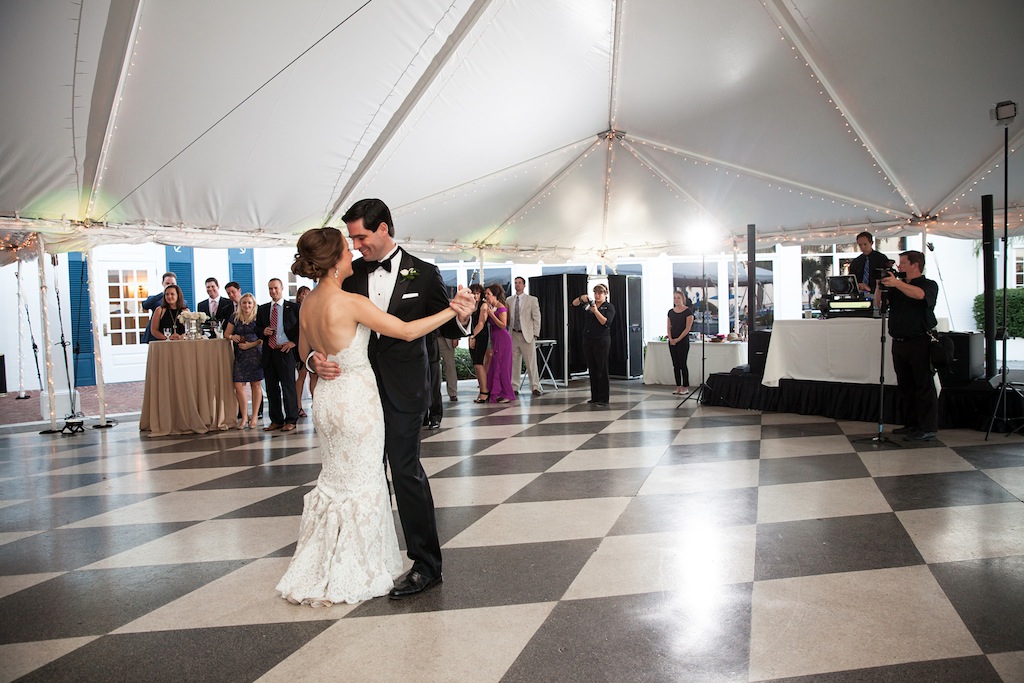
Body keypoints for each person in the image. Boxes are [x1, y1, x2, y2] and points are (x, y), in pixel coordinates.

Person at [276, 227, 464, 606]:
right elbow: (408, 331)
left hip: (328, 402)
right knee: (364, 480)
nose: (354, 252)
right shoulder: (349, 300)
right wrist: (452, 309)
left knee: (337, 479)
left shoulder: (309, 301)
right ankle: (357, 565)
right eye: (347, 248)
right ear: (334, 263)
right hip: (358, 401)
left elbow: (302, 348)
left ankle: (325, 561)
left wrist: (313, 358)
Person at [876, 250, 940, 442]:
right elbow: (879, 304)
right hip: (900, 342)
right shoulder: (898, 286)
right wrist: (880, 286)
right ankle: (911, 423)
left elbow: (920, 296)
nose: (899, 267)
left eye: (903, 263)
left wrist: (897, 283)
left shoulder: (928, 285)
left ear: (915, 265)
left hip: (920, 341)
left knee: (923, 384)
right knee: (906, 385)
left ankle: (927, 427)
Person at [256, 278, 300, 432]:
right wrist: (263, 331)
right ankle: (276, 420)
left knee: (288, 386)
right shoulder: (262, 309)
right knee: (271, 388)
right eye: (270, 289)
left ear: (282, 288)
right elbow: (257, 328)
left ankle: (291, 419)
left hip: (285, 351)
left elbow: (302, 328)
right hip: (269, 352)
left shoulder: (293, 308)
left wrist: (293, 343)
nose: (273, 291)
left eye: (275, 288)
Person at [572, 283, 615, 406]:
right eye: (595, 292)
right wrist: (582, 298)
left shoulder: (609, 307)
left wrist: (595, 311)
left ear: (605, 294)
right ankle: (594, 396)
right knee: (592, 368)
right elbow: (574, 304)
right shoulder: (589, 305)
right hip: (588, 339)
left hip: (601, 340)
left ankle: (603, 398)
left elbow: (605, 323)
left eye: (600, 293)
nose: (597, 295)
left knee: (602, 368)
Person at [225, 293, 263, 429]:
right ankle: (244, 416)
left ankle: (254, 417)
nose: (246, 305)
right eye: (244, 303)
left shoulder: (259, 317)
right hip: (240, 355)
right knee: (238, 385)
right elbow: (226, 334)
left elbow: (262, 338)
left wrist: (250, 345)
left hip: (255, 353)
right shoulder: (234, 317)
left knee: (255, 385)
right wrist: (232, 336)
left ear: (253, 305)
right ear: (240, 304)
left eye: (249, 303)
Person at [509, 276, 542, 396]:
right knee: (514, 362)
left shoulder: (532, 299)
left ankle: (535, 386)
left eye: (519, 283)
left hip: (526, 334)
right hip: (513, 333)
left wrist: (535, 333)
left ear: (524, 285)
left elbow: (536, 317)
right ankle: (514, 387)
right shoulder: (509, 300)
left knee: (531, 362)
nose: (517, 285)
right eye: (515, 283)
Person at [484, 284, 515, 403]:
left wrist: (491, 315)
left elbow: (503, 325)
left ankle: (506, 393)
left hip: (503, 339)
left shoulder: (501, 307)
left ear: (494, 295)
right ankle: (496, 391)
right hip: (495, 338)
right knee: (495, 365)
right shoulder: (491, 306)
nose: (486, 296)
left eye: (488, 294)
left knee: (503, 366)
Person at [294, 286, 316, 418]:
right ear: (299, 296)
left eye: (308, 293)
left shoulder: (314, 308)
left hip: (314, 344)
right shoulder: (295, 309)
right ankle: (298, 406)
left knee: (314, 376)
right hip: (301, 344)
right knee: (301, 375)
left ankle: (316, 404)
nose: (305, 296)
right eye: (303, 294)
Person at [849, 231, 890, 301]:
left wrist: (870, 288)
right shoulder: (856, 262)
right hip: (859, 296)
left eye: (865, 244)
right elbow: (851, 279)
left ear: (871, 243)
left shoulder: (881, 259)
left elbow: (887, 279)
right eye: (860, 245)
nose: (862, 247)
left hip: (877, 296)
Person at [667, 290, 694, 395]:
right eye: (674, 298)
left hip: (682, 341)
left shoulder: (688, 312)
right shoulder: (670, 312)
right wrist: (670, 338)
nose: (676, 300)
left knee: (683, 364)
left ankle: (685, 386)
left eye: (678, 298)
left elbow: (687, 328)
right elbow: (669, 327)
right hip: (672, 341)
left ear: (683, 299)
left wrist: (678, 339)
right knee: (675, 364)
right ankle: (678, 386)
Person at [468, 283, 491, 403]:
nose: (476, 296)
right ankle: (482, 389)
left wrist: (473, 336)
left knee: (478, 363)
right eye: (474, 293)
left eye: (477, 293)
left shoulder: (484, 305)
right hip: (472, 335)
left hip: (481, 335)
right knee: (475, 364)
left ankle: (484, 391)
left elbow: (481, 323)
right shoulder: (472, 305)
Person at [142, 272, 177, 343]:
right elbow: (145, 305)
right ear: (163, 283)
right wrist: (162, 294)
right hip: (156, 335)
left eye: (172, 284)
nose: (170, 285)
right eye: (167, 283)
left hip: (173, 334)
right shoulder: (156, 299)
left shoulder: (181, 301)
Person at [438, 335, 460, 402]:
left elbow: (454, 324)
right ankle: (434, 392)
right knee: (433, 367)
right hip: (430, 337)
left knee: (450, 366)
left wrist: (456, 337)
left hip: (447, 337)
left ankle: (453, 393)